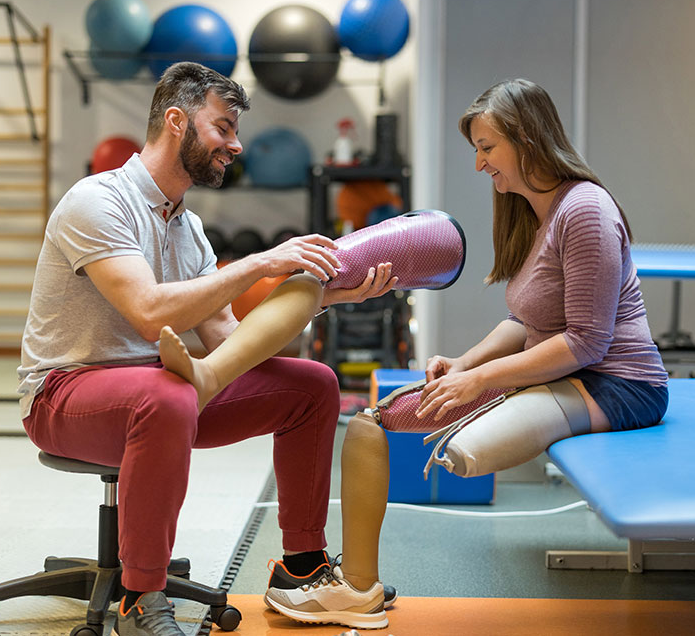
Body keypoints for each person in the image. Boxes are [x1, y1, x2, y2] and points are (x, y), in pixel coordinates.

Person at [262, 78, 670, 630]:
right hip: (565, 375)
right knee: (370, 424)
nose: (480, 165)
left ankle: (354, 591)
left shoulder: (586, 211)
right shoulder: (537, 212)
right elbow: (525, 320)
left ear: (527, 140)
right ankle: (358, 589)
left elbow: (586, 343)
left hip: (619, 385)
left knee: (460, 448)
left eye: (487, 148)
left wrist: (480, 383)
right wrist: (465, 364)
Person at [17, 61, 398, 636]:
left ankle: (299, 570)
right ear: (176, 121)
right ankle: (139, 599)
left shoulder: (185, 226)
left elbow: (227, 340)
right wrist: (259, 263)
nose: (236, 144)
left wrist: (323, 299)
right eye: (223, 128)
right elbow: (148, 313)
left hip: (160, 384)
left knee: (311, 387)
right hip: (65, 393)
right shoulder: (96, 202)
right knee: (169, 394)